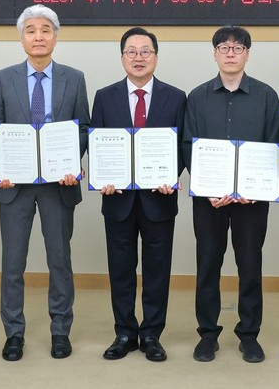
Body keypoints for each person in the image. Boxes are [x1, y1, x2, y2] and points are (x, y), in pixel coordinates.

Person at [0, 4, 90, 362]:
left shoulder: (74, 78)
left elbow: (83, 127)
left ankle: (60, 331)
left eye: (46, 30)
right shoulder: (4, 78)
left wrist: (71, 162)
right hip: (14, 185)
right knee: (13, 262)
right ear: (22, 39)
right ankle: (14, 333)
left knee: (59, 260)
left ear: (55, 37)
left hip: (58, 185)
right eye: (31, 30)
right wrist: (2, 164)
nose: (38, 36)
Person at [183, 25, 279, 364]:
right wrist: (207, 187)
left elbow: (274, 144)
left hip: (251, 201)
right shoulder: (197, 97)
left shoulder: (267, 96)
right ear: (214, 54)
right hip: (208, 200)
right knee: (208, 265)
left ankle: (249, 336)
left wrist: (254, 189)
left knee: (250, 266)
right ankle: (207, 335)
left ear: (247, 54)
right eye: (223, 47)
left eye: (238, 48)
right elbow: (188, 145)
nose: (230, 53)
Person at [91, 27, 186, 362]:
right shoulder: (105, 97)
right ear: (122, 58)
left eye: (146, 51)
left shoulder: (176, 97)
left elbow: (182, 147)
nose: (139, 57)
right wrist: (102, 177)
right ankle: (124, 332)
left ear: (156, 57)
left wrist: (172, 175)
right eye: (131, 51)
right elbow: (96, 143)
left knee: (158, 270)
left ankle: (151, 334)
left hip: (159, 199)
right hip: (117, 199)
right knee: (120, 269)